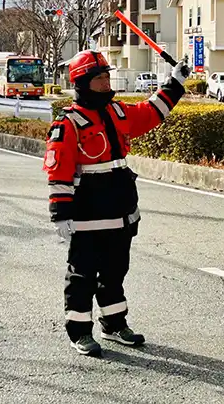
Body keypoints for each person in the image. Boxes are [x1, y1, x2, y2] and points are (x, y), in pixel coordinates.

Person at [44, 50, 190, 357]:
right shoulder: (69, 123)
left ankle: (113, 323)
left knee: (115, 271)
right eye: (99, 78)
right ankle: (80, 332)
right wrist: (60, 213)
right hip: (86, 213)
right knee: (82, 275)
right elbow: (59, 168)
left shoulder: (118, 113)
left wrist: (175, 82)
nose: (105, 82)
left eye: (107, 76)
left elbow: (153, 112)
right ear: (82, 83)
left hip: (120, 210)